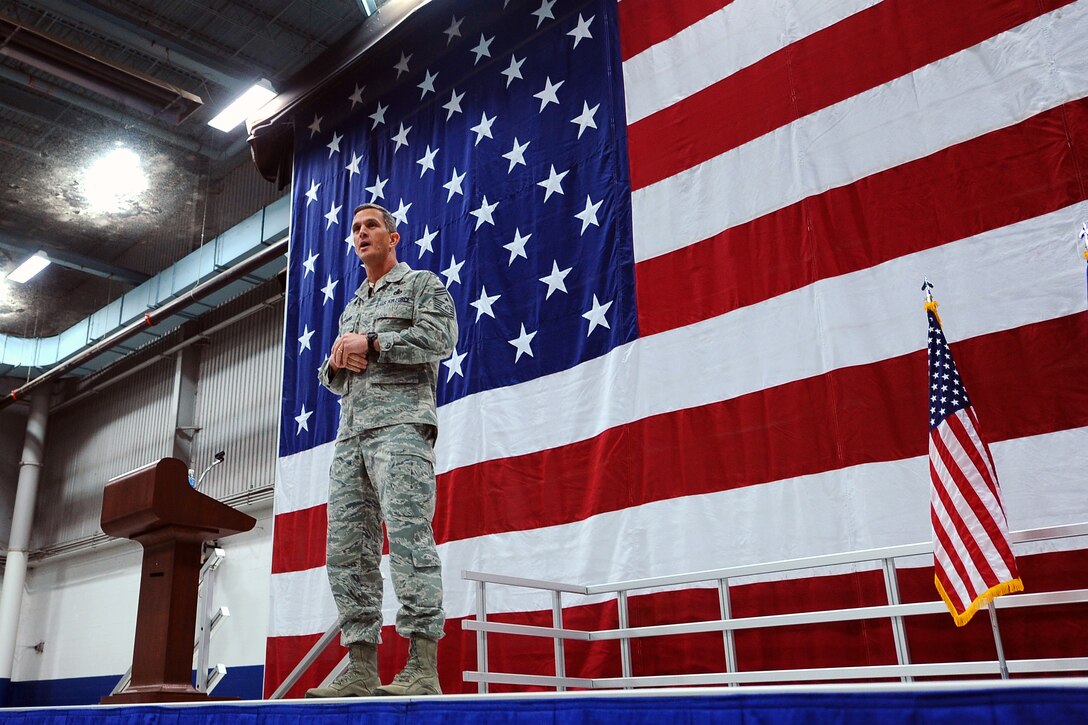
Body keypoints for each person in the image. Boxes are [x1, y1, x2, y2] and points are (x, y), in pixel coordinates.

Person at [306, 202, 458, 698]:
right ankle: (362, 666)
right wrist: (339, 360)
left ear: (393, 238)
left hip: (401, 428)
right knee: (347, 551)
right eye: (355, 228)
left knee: (410, 542)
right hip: (351, 436)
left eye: (371, 226)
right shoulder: (353, 304)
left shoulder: (421, 286)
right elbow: (333, 374)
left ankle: (421, 667)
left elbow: (441, 338)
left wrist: (373, 343)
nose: (361, 233)